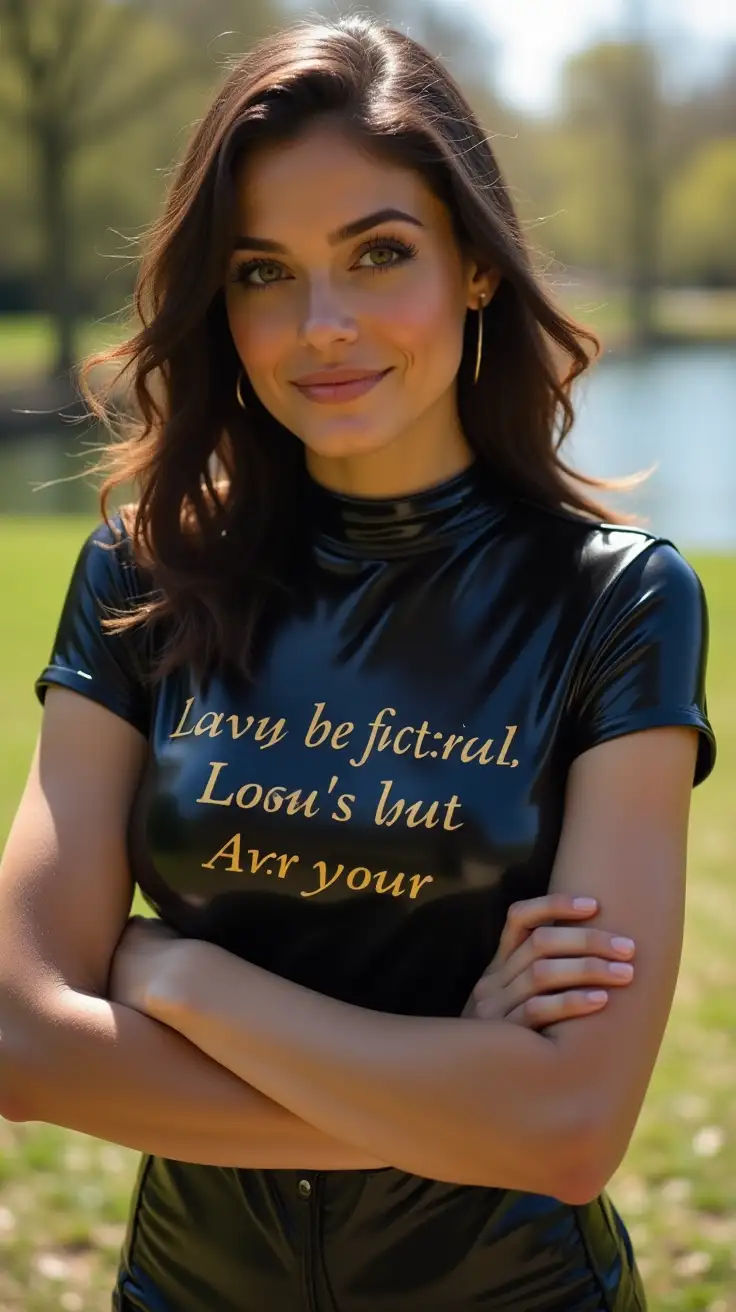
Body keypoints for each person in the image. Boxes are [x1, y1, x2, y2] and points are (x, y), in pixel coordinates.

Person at [0, 15, 716, 1312]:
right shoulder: (141, 576)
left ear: (476, 267)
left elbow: (570, 1128)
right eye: (264, 272)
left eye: (379, 254)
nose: (322, 324)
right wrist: (464, 1092)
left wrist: (177, 973)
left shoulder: (617, 602)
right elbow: (19, 1041)